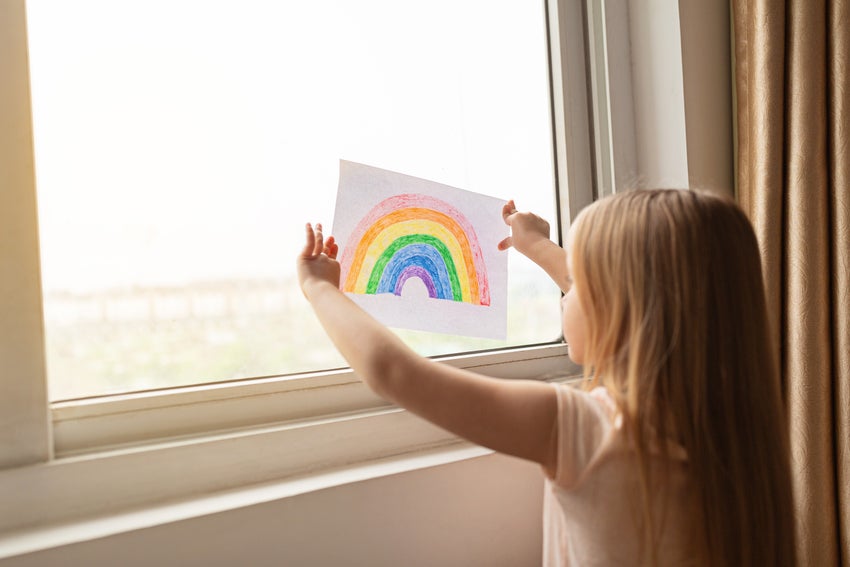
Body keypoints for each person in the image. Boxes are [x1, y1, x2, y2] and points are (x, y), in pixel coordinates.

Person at [296, 189, 796, 566]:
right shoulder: (736, 439)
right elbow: (624, 296)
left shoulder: (587, 431)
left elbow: (396, 374)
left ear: (621, 312)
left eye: (575, 285)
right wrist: (538, 246)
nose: (565, 294)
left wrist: (320, 290)